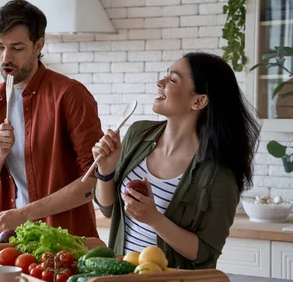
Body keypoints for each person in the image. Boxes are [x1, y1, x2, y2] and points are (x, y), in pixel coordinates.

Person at [93, 52, 260, 269]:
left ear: (198, 101)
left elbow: (205, 253)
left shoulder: (218, 172)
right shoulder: (138, 134)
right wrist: (105, 171)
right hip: (120, 279)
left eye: (172, 79)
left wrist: (154, 218)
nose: (160, 83)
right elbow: (108, 209)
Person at [0, 0, 104, 237]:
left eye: (17, 48)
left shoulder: (70, 95)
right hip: (14, 242)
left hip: (66, 240)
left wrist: (24, 213)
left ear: (38, 45)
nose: (5, 58)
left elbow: (93, 181)